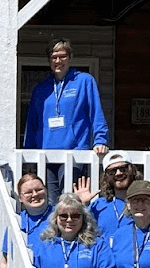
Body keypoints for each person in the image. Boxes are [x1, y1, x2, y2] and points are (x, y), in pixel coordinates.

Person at [23, 38, 109, 193]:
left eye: (62, 56)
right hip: (45, 154)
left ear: (70, 58)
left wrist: (100, 140)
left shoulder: (84, 81)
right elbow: (32, 123)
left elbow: (95, 111)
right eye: (54, 57)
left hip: (74, 151)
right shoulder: (41, 89)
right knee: (49, 201)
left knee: (68, 199)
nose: (58, 61)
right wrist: (29, 151)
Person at [73, 151, 150, 241]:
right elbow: (76, 231)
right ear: (106, 176)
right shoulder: (98, 206)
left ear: (133, 170)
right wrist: (80, 205)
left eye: (123, 168)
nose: (118, 173)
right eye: (112, 171)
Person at [0, 173, 51, 268]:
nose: (34, 195)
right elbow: (5, 262)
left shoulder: (61, 217)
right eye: (28, 192)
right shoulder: (16, 223)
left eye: (39, 190)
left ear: (46, 190)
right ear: (20, 198)